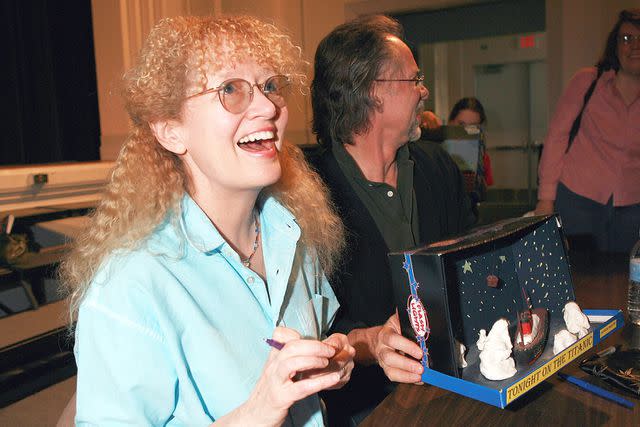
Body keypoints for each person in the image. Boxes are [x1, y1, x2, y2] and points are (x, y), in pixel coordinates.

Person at [59, 15, 355, 426]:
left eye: (270, 86)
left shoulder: (292, 233)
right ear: (170, 132)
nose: (269, 106)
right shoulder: (131, 284)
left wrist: (327, 361)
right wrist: (258, 411)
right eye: (230, 89)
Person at [307, 15, 476, 425]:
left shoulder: (438, 167)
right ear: (370, 91)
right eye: (414, 79)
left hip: (461, 386)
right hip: (370, 407)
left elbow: (470, 263)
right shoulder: (309, 194)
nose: (425, 91)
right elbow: (314, 327)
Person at [535, 9, 640, 253]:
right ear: (615, 45)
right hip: (577, 199)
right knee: (577, 278)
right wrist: (545, 200)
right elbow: (556, 138)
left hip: (633, 208)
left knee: (626, 282)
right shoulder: (587, 81)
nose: (634, 46)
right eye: (626, 38)